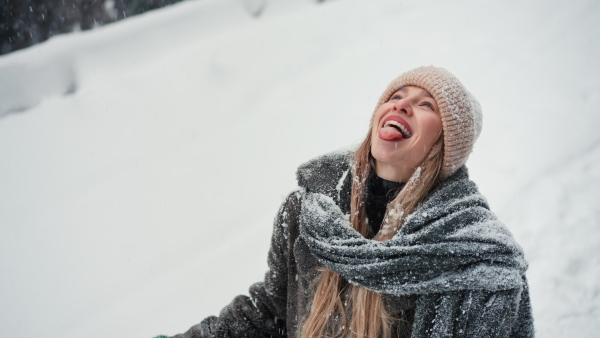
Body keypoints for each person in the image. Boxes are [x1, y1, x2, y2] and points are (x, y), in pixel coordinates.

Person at [158, 66, 534, 337]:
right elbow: (270, 313)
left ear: (446, 144)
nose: (401, 105)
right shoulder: (309, 214)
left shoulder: (474, 261)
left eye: (426, 105)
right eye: (396, 96)